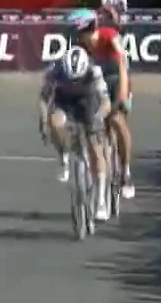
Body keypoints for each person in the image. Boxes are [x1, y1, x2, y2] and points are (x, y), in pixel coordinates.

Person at [38, 46, 114, 220]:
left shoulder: (94, 72)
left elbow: (106, 103)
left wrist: (98, 118)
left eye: (76, 79)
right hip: (64, 102)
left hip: (88, 102)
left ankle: (101, 199)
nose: (73, 82)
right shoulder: (55, 70)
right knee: (54, 122)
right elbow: (43, 98)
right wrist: (43, 121)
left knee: (96, 148)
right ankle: (64, 157)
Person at [66, 9, 135, 199]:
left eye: (75, 31)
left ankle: (126, 173)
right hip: (97, 81)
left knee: (117, 121)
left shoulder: (110, 37)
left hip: (117, 78)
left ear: (86, 28)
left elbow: (122, 64)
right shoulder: (79, 45)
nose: (74, 36)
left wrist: (122, 93)